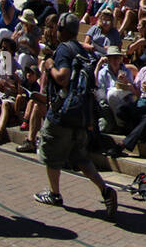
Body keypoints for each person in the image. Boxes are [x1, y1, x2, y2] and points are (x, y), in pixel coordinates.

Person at [31, 13, 119, 217]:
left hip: (63, 113)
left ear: (61, 30)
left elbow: (62, 78)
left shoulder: (63, 49)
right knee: (80, 157)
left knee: (51, 153)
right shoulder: (81, 50)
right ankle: (105, 190)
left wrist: (49, 66)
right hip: (81, 115)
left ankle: (54, 193)